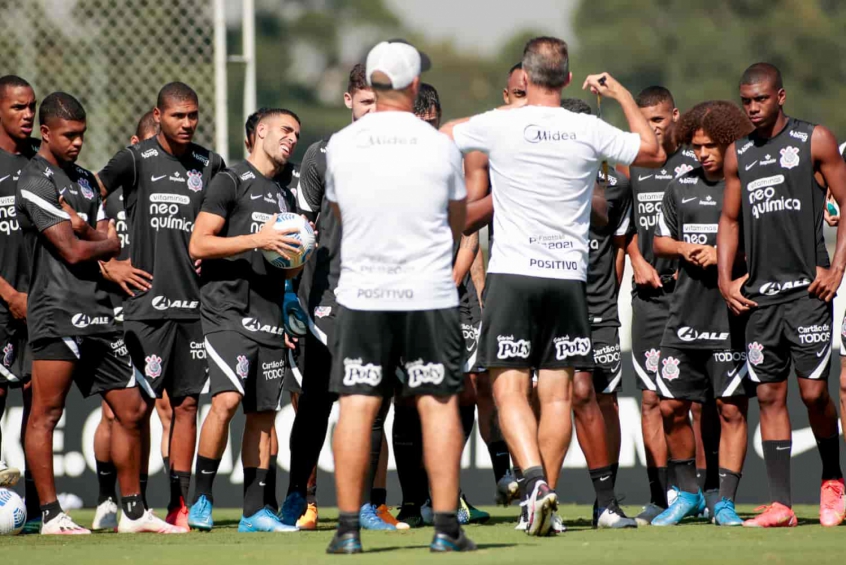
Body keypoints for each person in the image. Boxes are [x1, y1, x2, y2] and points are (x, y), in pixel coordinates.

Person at [442, 36, 664, 536]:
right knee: (560, 392)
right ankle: (548, 498)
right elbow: (652, 150)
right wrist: (622, 92)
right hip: (568, 278)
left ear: (524, 77)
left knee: (510, 389)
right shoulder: (586, 126)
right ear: (567, 79)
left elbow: (442, 136)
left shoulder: (499, 122)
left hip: (513, 275)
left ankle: (535, 485)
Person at [325, 39, 474, 554]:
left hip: (362, 293)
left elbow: (341, 215)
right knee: (436, 406)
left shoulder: (340, 146)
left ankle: (347, 531)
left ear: (373, 83)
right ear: (413, 87)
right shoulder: (440, 145)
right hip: (428, 294)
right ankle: (446, 527)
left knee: (357, 406)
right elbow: (458, 223)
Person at [19, 92, 183, 535]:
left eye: (82, 135)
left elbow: (95, 236)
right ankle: (51, 515)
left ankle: (132, 512)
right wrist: (104, 242)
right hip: (56, 310)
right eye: (68, 135)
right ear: (46, 132)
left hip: (99, 310)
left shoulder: (87, 183)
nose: (76, 143)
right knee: (46, 414)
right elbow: (73, 249)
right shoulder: (35, 180)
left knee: (131, 410)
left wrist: (95, 236)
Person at [718, 63, 846, 528]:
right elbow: (729, 221)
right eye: (746, 100)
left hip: (808, 292)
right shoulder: (738, 154)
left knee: (813, 393)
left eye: (761, 99)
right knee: (769, 395)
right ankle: (781, 505)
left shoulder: (814, 140)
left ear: (781, 97)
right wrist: (725, 278)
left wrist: (836, 268)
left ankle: (833, 481)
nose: (752, 108)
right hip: (760, 298)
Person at [96, 82, 226, 529]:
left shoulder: (209, 163)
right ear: (159, 115)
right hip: (146, 306)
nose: (187, 123)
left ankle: (180, 503)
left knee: (188, 405)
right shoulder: (135, 158)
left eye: (193, 115)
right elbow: (85, 195)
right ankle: (135, 505)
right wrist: (107, 264)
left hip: (196, 307)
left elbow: (226, 218)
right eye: (178, 116)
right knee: (138, 409)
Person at [281, 64, 390, 532]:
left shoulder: (398, 154)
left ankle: (366, 505)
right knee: (314, 406)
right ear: (349, 101)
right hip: (323, 299)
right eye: (365, 102)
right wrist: (289, 296)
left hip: (377, 296)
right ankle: (296, 498)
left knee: (366, 405)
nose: (372, 112)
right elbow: (300, 235)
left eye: (379, 103)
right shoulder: (319, 156)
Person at [188, 108, 305, 533]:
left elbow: (285, 264)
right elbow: (198, 244)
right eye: (285, 130)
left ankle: (254, 511)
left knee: (263, 415)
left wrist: (296, 258)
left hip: (269, 313)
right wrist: (259, 239)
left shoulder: (285, 194)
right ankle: (200, 497)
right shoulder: (230, 180)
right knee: (226, 402)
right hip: (226, 311)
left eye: (297, 133)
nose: (293, 138)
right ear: (259, 132)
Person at [650, 100, 755, 527]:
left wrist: (725, 255)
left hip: (729, 315)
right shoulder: (680, 186)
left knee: (730, 409)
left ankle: (725, 500)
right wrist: (683, 249)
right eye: (696, 146)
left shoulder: (744, 185)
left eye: (711, 145)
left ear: (729, 143)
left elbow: (767, 246)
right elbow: (658, 242)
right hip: (684, 313)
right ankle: (688, 494)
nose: (702, 154)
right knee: (671, 406)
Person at [391, 83, 489, 528]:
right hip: (403, 298)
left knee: (461, 392)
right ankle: (414, 501)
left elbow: (470, 230)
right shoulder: (387, 161)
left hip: (454, 298)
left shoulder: (450, 158)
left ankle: (447, 493)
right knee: (407, 400)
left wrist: (460, 283)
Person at [626, 86, 704, 525]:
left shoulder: (698, 161)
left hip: (693, 295)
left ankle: (703, 492)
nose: (652, 128)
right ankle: (663, 494)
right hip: (650, 298)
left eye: (657, 119)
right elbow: (622, 228)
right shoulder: (633, 162)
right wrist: (636, 260)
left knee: (694, 400)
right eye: (644, 120)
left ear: (674, 115)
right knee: (652, 399)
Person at [557, 97, 636, 528]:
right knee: (566, 395)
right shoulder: (544, 180)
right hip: (555, 308)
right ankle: (543, 497)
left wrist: (606, 301)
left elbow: (620, 253)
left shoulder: (618, 185)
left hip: (600, 309)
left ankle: (605, 500)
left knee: (604, 400)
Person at [90, 110, 160, 531]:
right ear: (135, 144)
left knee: (146, 407)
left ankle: (140, 498)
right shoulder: (108, 192)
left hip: (151, 307)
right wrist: (108, 269)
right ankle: (104, 499)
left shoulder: (171, 188)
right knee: (113, 412)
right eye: (148, 146)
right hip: (109, 307)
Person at [0, 75, 40, 532]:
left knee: (39, 406)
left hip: (41, 303)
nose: (27, 114)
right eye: (17, 107)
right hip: (4, 301)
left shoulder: (39, 163)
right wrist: (9, 294)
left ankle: (34, 507)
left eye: (31, 107)